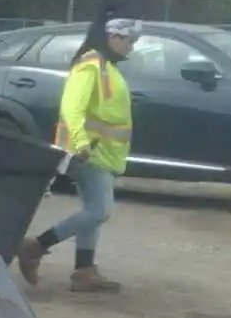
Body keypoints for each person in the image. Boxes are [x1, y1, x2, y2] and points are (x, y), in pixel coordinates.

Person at [17, 15, 140, 293]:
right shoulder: (91, 65)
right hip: (88, 153)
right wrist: (82, 142)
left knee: (92, 211)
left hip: (102, 153)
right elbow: (72, 107)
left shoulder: (106, 66)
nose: (132, 47)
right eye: (130, 40)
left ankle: (84, 270)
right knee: (100, 211)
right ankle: (36, 246)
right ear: (113, 37)